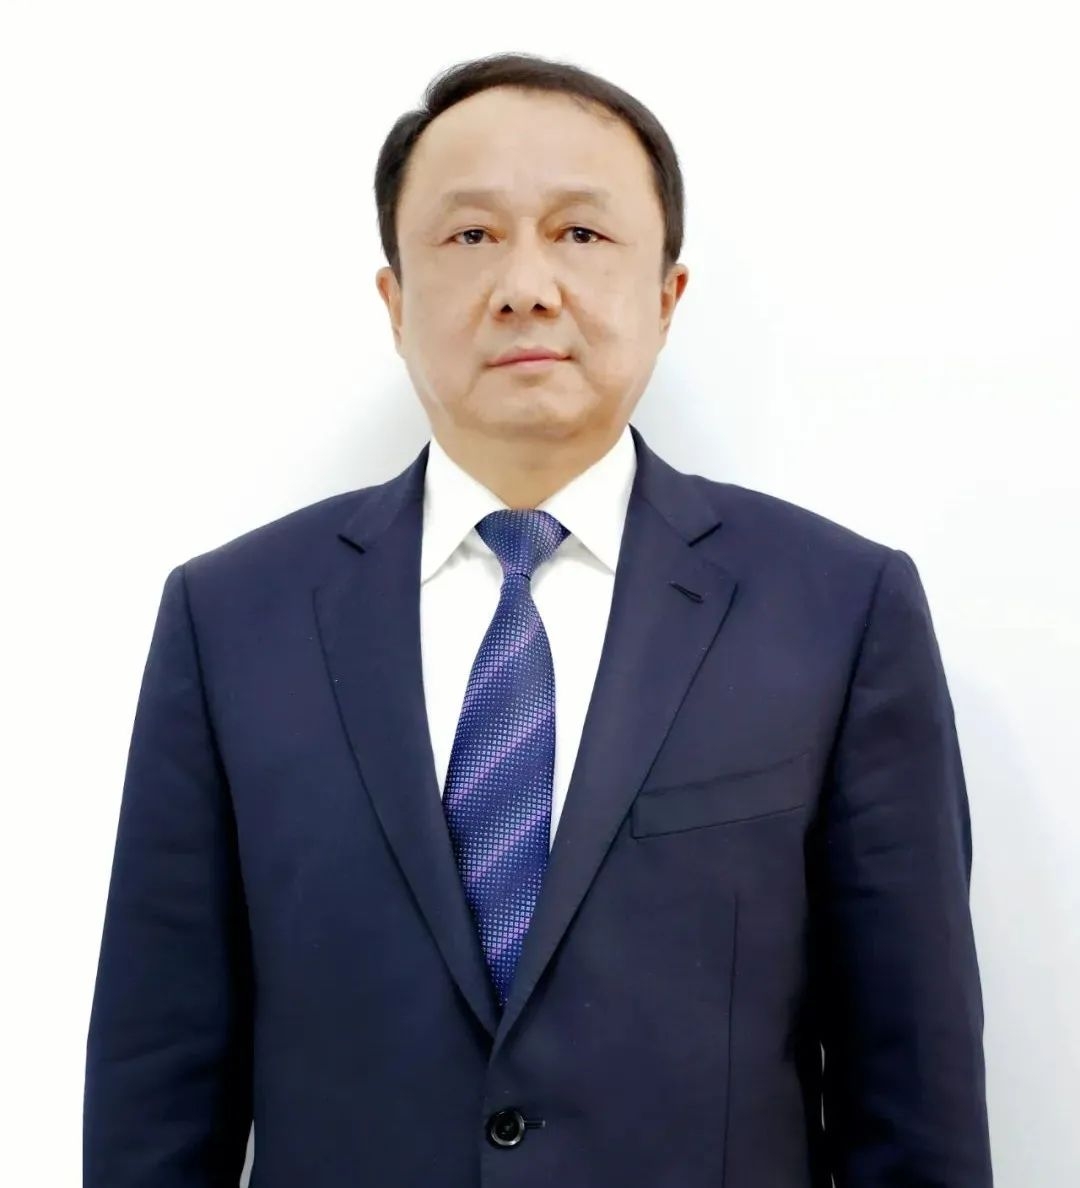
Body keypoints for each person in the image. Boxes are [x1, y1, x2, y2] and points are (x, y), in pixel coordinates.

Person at [83, 51, 993, 1187]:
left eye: (581, 233)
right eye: (470, 235)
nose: (526, 285)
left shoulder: (838, 611)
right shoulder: (230, 621)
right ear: (394, 301)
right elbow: (157, 1091)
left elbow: (912, 1089)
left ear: (666, 297)